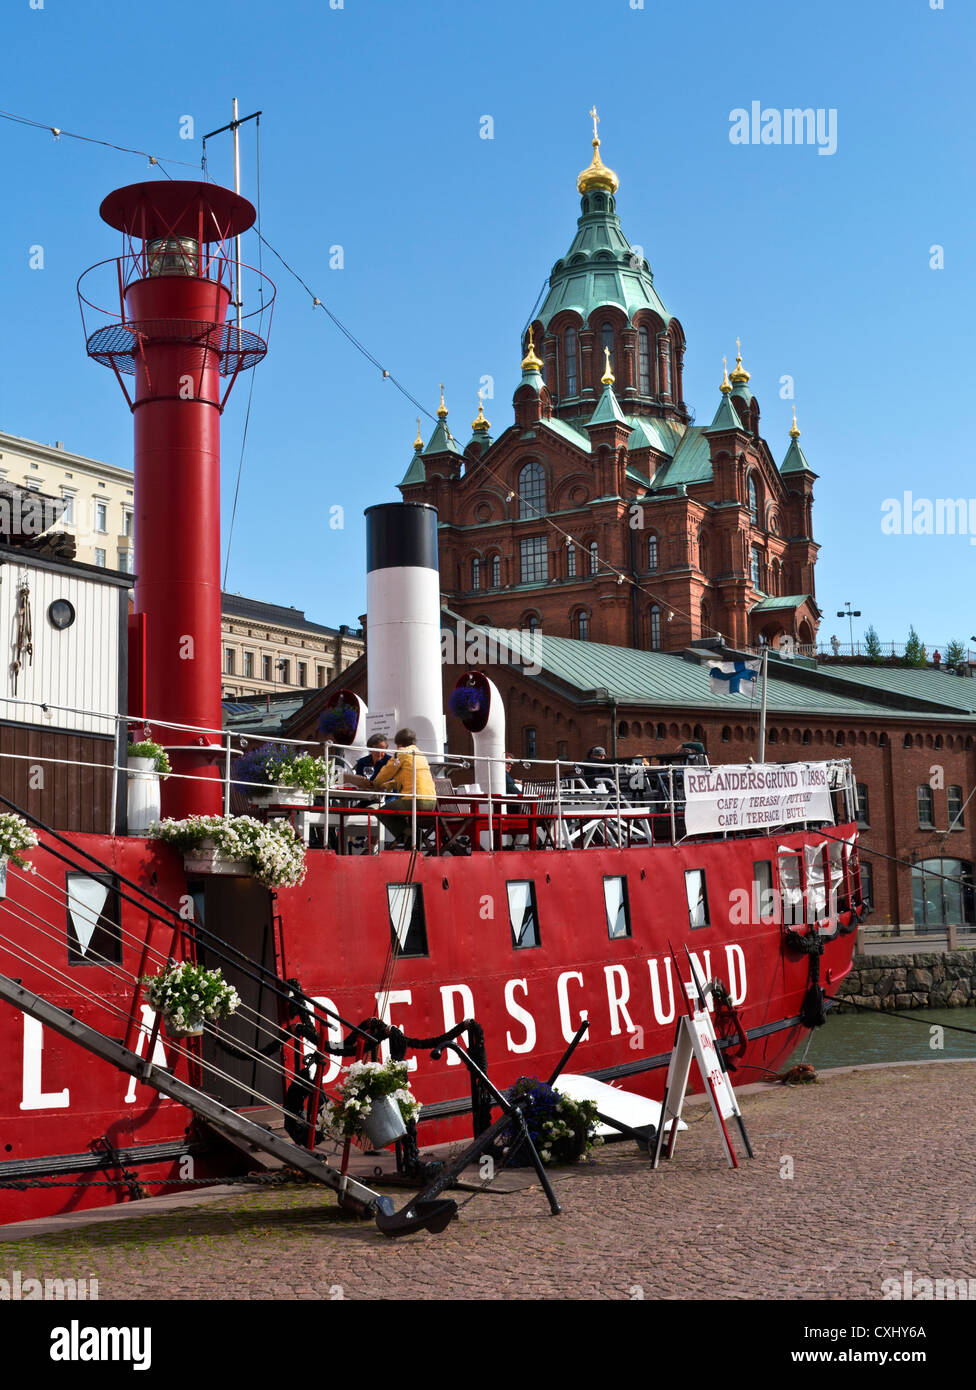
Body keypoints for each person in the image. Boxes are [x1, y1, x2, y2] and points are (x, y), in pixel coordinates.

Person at [373, 728, 437, 848]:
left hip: (415, 801)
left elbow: (387, 771)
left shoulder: (402, 752)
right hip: (431, 801)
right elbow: (403, 778)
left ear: (399, 744)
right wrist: (386, 786)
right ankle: (411, 840)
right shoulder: (419, 754)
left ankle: (408, 835)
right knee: (398, 813)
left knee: (382, 812)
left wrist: (374, 784)